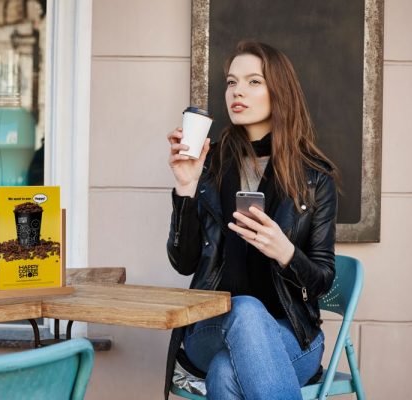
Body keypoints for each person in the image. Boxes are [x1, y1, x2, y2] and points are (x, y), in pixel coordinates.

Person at [164, 41, 338, 400]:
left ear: (280, 92)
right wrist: (186, 187)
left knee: (227, 373)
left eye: (253, 82)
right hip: (211, 330)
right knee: (243, 307)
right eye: (231, 82)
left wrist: (286, 252)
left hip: (292, 336)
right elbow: (183, 263)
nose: (237, 91)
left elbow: (322, 280)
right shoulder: (211, 165)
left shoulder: (315, 177)